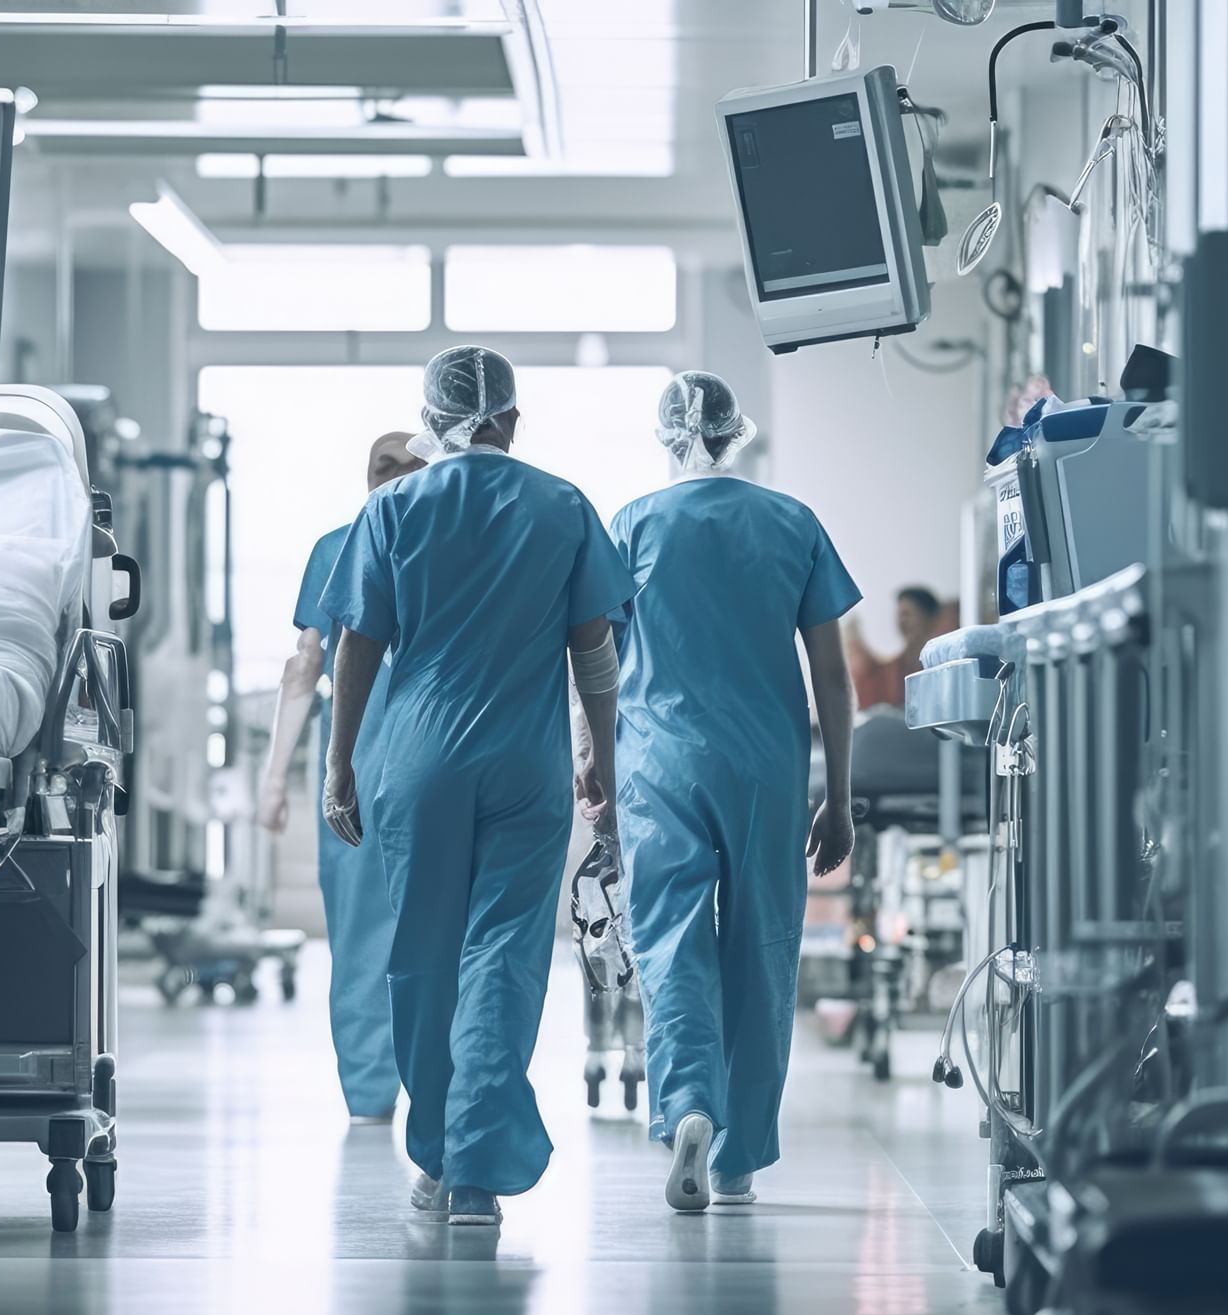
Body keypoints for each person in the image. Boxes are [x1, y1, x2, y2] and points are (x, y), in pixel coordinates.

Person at [317, 346, 635, 1228]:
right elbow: (595, 654)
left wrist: (341, 762)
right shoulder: (564, 505)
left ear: (431, 418)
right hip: (526, 766)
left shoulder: (392, 508)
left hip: (415, 766)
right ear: (512, 420)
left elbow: (357, 647)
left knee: (422, 956)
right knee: (504, 955)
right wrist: (599, 758)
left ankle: (437, 1149)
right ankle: (475, 1172)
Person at [594, 371, 859, 1212]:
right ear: (738, 431)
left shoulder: (631, 524)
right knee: (761, 946)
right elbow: (832, 676)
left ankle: (690, 1107)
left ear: (665, 435)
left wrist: (592, 756)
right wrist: (840, 793)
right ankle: (738, 1154)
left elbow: (597, 665)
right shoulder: (792, 524)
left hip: (656, 763)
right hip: (764, 768)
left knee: (671, 944)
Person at [256, 430, 426, 1124]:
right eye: (381, 466)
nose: (392, 478)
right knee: (360, 939)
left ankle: (430, 1089)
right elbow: (306, 668)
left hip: (417, 776)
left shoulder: (446, 550)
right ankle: (370, 1097)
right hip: (356, 780)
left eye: (408, 466)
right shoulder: (338, 548)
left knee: (434, 939)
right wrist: (274, 778)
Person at [842, 585, 942, 710]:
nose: (903, 621)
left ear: (930, 619)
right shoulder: (887, 673)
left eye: (908, 614)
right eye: (900, 615)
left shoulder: (942, 669)